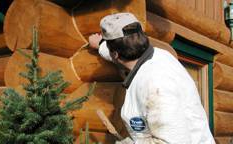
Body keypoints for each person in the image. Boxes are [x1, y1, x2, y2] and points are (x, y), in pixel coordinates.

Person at [88, 13, 215, 144]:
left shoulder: (155, 84)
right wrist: (101, 44)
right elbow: (121, 54)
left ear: (115, 54)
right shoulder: (161, 55)